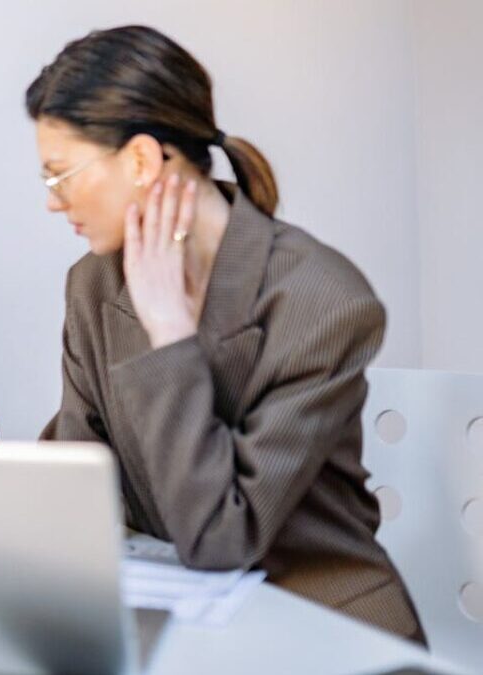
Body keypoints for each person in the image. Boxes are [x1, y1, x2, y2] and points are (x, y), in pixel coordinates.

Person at [30, 25, 424, 642]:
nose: (54, 202)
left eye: (61, 176)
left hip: (319, 615)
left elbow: (221, 536)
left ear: (141, 160)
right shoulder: (93, 284)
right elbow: (79, 484)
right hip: (175, 609)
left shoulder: (323, 299)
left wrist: (169, 334)